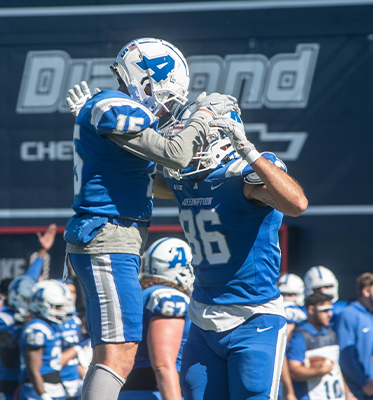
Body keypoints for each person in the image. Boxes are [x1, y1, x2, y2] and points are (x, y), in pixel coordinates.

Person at [63, 37, 238, 400]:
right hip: (107, 237)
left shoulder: (109, 109)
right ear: (146, 80)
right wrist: (203, 119)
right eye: (167, 97)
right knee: (118, 355)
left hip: (108, 238)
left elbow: (152, 182)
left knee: (110, 354)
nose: (166, 109)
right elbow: (175, 154)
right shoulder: (113, 106)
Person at [153, 104, 308, 399]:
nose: (188, 147)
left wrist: (249, 151)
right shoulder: (185, 181)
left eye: (196, 139)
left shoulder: (242, 178)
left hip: (253, 316)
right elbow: (140, 180)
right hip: (202, 317)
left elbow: (297, 204)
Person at [119, 237, 194, 400]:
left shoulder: (141, 296)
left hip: (132, 389)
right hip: (155, 392)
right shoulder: (169, 297)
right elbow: (163, 365)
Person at [0, 225, 55, 400]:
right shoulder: (1, 319)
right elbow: (9, 359)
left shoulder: (28, 309)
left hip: (28, 381)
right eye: (28, 300)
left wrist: (42, 251)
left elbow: (29, 281)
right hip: (9, 383)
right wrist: (25, 329)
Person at [287, 292, 356, 400]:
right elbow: (293, 371)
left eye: (330, 310)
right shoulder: (300, 336)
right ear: (311, 310)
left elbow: (336, 370)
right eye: (325, 310)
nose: (330, 314)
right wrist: (319, 371)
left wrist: (348, 393)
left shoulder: (331, 334)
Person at [336, 273, 373, 400]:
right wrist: (364, 383)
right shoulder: (348, 314)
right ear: (366, 291)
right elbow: (345, 357)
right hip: (356, 393)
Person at [18, 280, 70, 400]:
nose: (61, 310)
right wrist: (43, 395)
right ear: (42, 305)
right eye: (57, 306)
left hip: (54, 386)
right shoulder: (37, 329)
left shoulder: (50, 326)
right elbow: (33, 370)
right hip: (38, 389)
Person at [278, 273, 307, 400]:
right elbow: (281, 350)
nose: (286, 298)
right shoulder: (292, 316)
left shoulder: (305, 316)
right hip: (281, 383)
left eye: (291, 295)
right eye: (283, 294)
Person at [59, 282, 85, 399]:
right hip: (59, 383)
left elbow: (77, 359)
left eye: (73, 292)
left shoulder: (76, 320)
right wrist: (78, 347)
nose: (71, 296)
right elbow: (55, 361)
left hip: (75, 383)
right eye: (67, 291)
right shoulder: (56, 322)